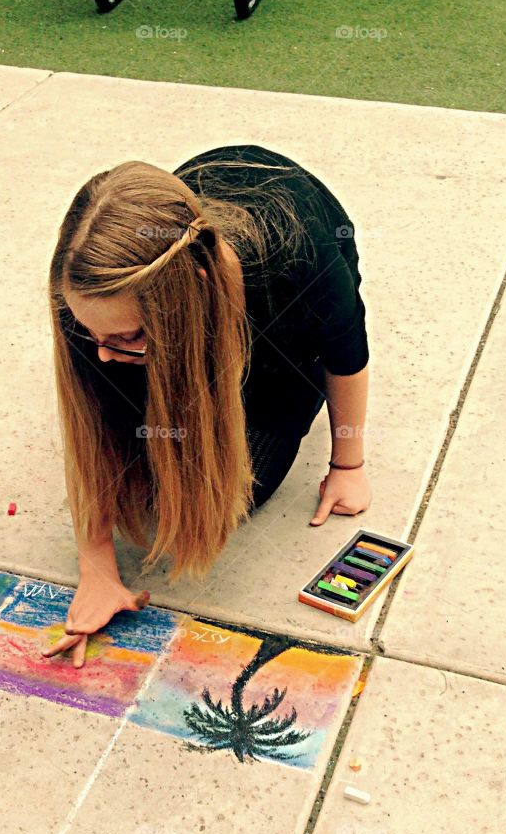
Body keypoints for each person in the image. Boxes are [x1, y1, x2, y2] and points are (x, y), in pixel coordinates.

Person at [41, 144, 371, 668]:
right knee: (147, 478)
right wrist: (97, 566)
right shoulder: (92, 288)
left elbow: (346, 359)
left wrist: (347, 465)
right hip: (185, 310)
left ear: (188, 296)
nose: (102, 353)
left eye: (127, 337)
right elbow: (93, 422)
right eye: (93, 333)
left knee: (231, 490)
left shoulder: (298, 266)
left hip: (274, 345)